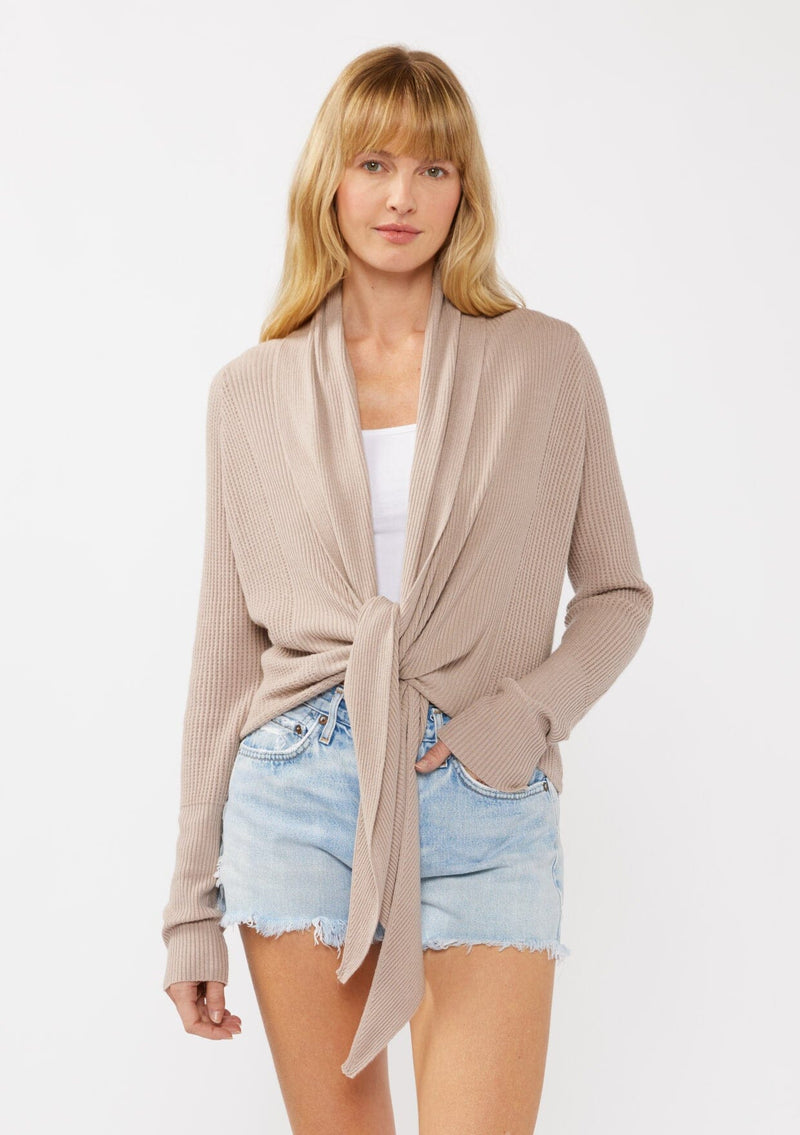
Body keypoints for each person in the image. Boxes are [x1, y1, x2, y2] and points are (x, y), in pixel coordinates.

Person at [161, 44, 654, 1134]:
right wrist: (190, 903)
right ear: (329, 179)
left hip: (483, 791)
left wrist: (523, 717)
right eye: (374, 163)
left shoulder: (545, 363)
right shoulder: (249, 392)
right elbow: (224, 655)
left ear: (463, 190)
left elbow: (617, 592)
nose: (402, 197)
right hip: (297, 791)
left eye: (433, 168)